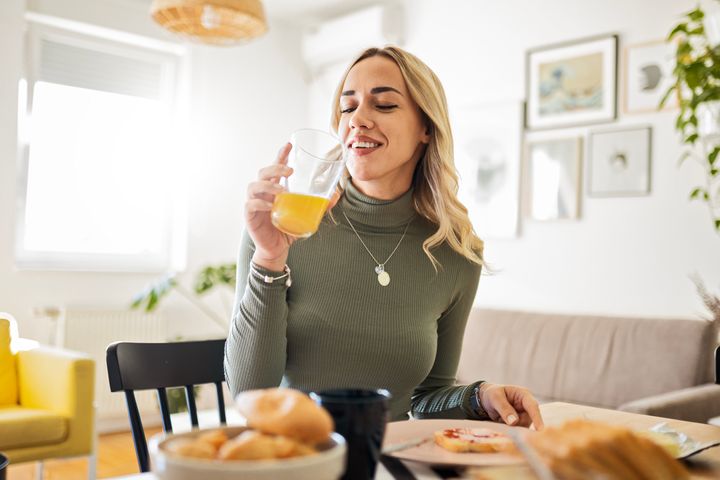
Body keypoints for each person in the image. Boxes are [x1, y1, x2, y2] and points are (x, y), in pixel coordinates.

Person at [225, 46, 544, 428]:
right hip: (294, 457)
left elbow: (426, 398)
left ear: (426, 127)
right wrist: (269, 260)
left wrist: (479, 396)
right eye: (348, 107)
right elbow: (249, 392)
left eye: (384, 105)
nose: (358, 119)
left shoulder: (456, 253)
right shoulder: (280, 228)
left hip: (390, 461)